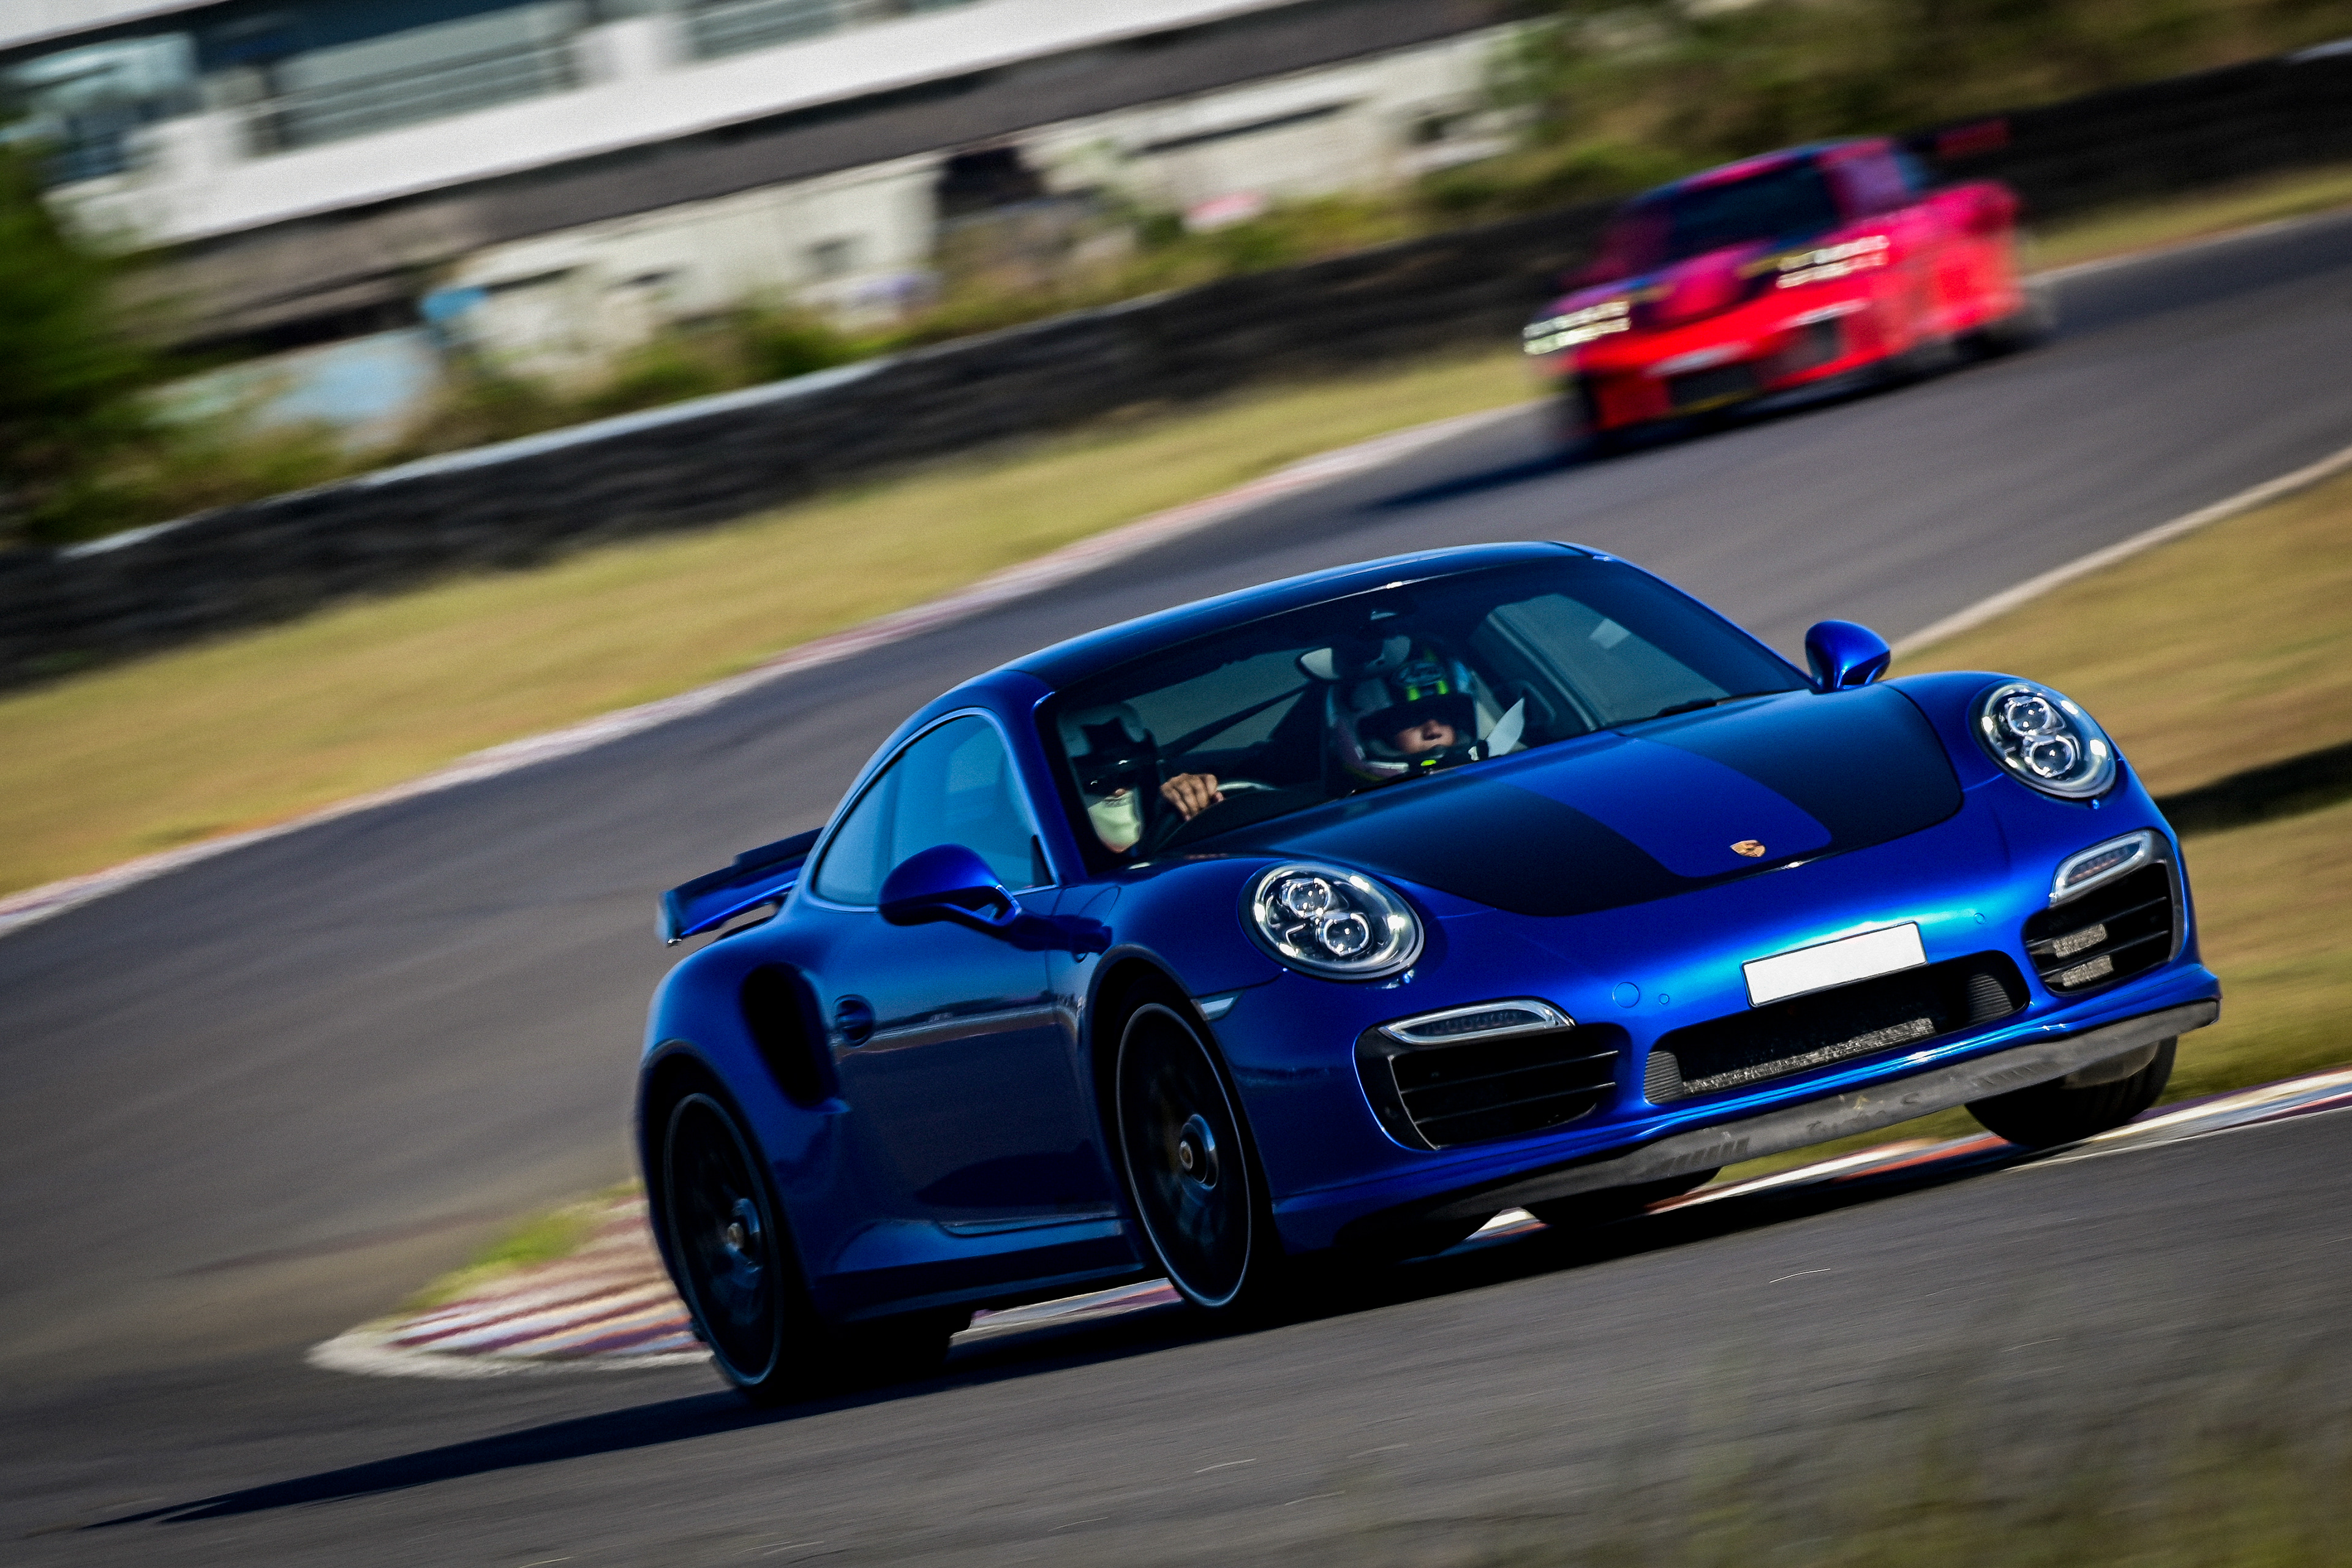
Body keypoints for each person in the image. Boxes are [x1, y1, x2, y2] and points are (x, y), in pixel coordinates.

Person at [1060, 704, 1229, 856]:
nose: (1118, 791)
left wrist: (1198, 798)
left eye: (1130, 775)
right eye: (1097, 782)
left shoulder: (1168, 809)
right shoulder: (1060, 859)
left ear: (1148, 772)